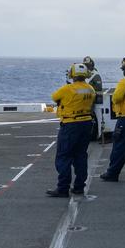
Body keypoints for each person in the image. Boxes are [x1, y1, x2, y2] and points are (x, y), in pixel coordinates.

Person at [46, 64, 96, 198]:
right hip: (86, 123)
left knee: (64, 156)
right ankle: (79, 187)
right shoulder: (90, 89)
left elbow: (54, 97)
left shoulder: (67, 89)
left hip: (70, 124)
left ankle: (63, 188)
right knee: (80, 155)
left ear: (72, 74)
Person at [81, 55, 106, 142]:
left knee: (94, 119)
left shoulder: (95, 75)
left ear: (92, 65)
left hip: (93, 102)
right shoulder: (85, 74)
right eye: (85, 65)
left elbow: (98, 89)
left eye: (87, 65)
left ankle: (95, 135)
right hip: (85, 100)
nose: (86, 66)